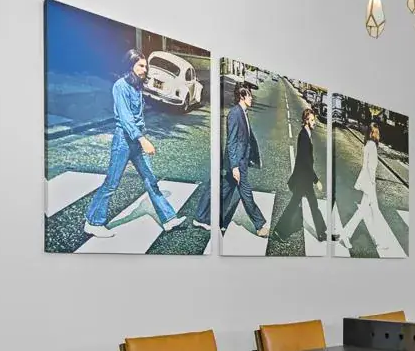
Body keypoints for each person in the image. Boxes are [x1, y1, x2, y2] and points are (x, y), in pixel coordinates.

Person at [84, 49, 185, 238]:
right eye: (141, 65)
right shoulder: (120, 86)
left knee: (150, 180)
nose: (144, 69)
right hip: (124, 140)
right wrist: (142, 139)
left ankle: (169, 219)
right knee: (112, 183)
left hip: (136, 140)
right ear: (130, 65)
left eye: (146, 66)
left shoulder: (137, 86)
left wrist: (141, 136)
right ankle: (93, 222)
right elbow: (126, 118)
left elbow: (138, 117)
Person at [195, 85, 267, 236]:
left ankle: (202, 217)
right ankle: (259, 225)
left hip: (241, 160)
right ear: (242, 96)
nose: (251, 98)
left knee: (223, 190)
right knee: (246, 193)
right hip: (237, 162)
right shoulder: (234, 114)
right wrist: (234, 166)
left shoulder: (243, 112)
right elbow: (231, 142)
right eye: (249, 95)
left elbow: (246, 138)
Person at [274, 107, 327, 242]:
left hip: (305, 178)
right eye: (312, 120)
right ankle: (279, 231)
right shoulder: (303, 136)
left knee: (313, 204)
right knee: (294, 205)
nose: (314, 122)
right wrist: (316, 180)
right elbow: (305, 162)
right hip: (302, 179)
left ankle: (322, 232)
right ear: (306, 121)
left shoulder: (306, 134)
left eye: (314, 120)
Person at [339, 122, 384, 250]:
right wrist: (373, 183)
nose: (378, 135)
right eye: (377, 133)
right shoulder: (372, 146)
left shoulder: (367, 145)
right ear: (372, 133)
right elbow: (370, 167)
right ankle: (346, 235)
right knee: (365, 211)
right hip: (370, 183)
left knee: (372, 210)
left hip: (367, 181)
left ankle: (378, 240)